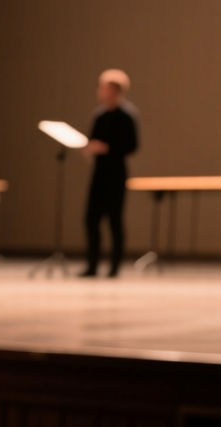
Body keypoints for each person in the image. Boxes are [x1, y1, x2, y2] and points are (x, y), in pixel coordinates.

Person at [80, 69, 139, 278]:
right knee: (91, 219)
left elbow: (132, 145)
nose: (100, 90)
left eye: (103, 87)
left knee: (114, 219)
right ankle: (92, 265)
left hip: (116, 172)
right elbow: (92, 139)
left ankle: (114, 267)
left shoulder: (126, 116)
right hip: (99, 172)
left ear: (115, 90)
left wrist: (106, 148)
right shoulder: (100, 115)